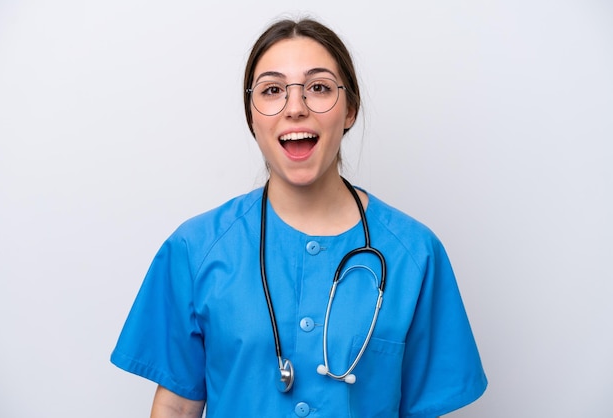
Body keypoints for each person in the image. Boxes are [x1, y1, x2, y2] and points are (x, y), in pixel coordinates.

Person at [111, 17, 487, 418]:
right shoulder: (195, 248)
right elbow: (176, 406)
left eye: (319, 88)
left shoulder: (415, 254)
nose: (295, 108)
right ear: (252, 117)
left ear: (350, 110)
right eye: (272, 90)